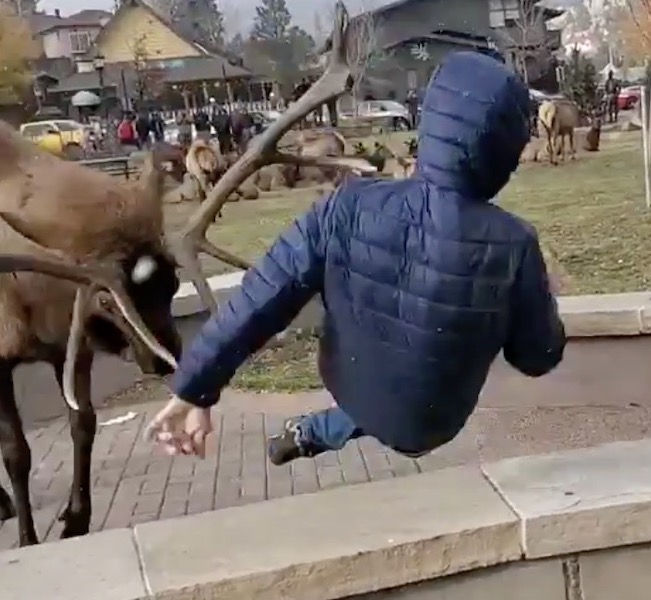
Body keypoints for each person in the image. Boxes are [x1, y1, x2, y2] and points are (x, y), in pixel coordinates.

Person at [146, 51, 567, 465]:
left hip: (356, 384)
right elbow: (535, 357)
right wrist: (540, 300)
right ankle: (315, 431)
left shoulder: (346, 206)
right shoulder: (514, 243)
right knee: (403, 399)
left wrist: (194, 389)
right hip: (438, 416)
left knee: (378, 400)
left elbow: (262, 295)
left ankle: (313, 431)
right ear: (506, 148)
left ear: (432, 125)